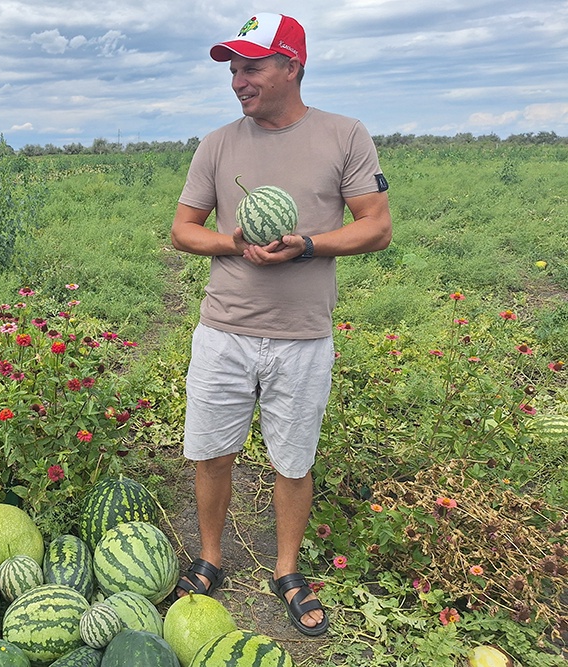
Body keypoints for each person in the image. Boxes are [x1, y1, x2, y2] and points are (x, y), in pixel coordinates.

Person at [168, 12, 392, 637]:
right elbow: (183, 229)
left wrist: (309, 244)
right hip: (225, 328)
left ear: (293, 65)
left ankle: (286, 569)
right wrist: (230, 244)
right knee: (212, 452)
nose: (238, 79)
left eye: (252, 66)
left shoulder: (345, 135)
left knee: (292, 460)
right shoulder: (217, 143)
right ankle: (210, 556)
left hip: (303, 335)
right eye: (233, 68)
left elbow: (376, 224)